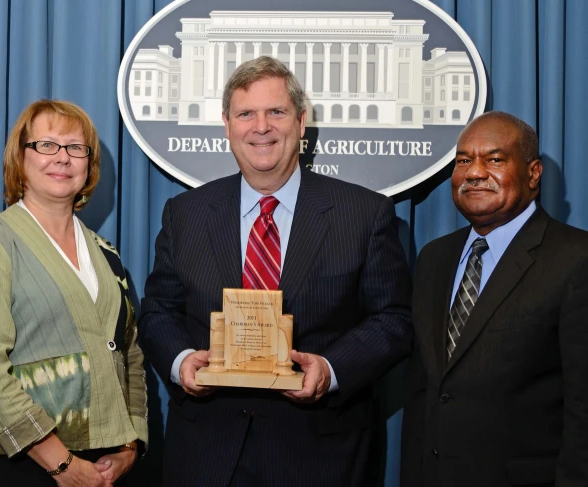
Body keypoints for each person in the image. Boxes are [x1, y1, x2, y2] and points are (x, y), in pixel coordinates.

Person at [138, 56, 413, 487]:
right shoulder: (184, 214)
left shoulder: (364, 213)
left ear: (301, 122)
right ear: (227, 125)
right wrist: (180, 361)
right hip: (207, 453)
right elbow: (157, 311)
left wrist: (331, 368)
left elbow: (393, 320)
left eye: (276, 112)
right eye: (246, 113)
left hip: (321, 455)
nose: (261, 126)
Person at [0, 99, 147, 486]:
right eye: (47, 145)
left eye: (76, 147)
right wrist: (61, 463)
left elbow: (130, 354)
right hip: (17, 464)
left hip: (103, 464)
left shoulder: (106, 254)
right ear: (19, 159)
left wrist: (129, 442)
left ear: (88, 164)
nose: (63, 158)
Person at [400, 111, 588, 486]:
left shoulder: (576, 259)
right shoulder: (434, 258)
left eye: (495, 159)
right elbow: (425, 392)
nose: (473, 172)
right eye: (464, 161)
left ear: (533, 173)